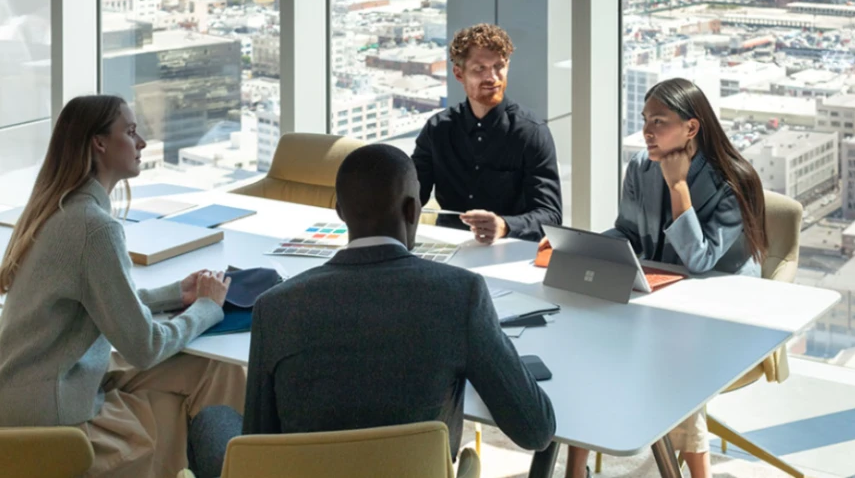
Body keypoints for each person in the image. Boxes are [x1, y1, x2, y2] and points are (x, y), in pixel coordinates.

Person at [186, 143, 556, 478]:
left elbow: (260, 445)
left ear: (339, 211)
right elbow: (535, 430)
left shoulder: (276, 306)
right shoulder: (461, 294)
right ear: (412, 209)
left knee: (213, 420)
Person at [0, 95, 245, 478]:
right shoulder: (94, 227)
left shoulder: (61, 208)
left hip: (31, 388)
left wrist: (174, 293)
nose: (142, 143)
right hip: (56, 415)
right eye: (130, 132)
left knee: (217, 370)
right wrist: (206, 309)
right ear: (99, 143)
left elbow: (92, 300)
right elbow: (145, 346)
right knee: (190, 394)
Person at [563, 78, 768, 478]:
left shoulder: (733, 181)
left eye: (659, 121)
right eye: (644, 120)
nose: (647, 131)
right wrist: (584, 248)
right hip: (662, 304)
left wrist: (678, 186)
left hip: (720, 317)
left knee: (671, 364)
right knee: (586, 347)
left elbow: (699, 259)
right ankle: (575, 469)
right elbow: (627, 232)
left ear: (691, 128)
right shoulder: (641, 167)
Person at [412, 23, 562, 243]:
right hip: (448, 245)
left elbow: (551, 216)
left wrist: (504, 225)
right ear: (458, 74)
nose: (492, 77)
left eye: (498, 66)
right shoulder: (437, 129)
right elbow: (410, 196)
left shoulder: (532, 133)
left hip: (509, 249)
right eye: (479, 68)